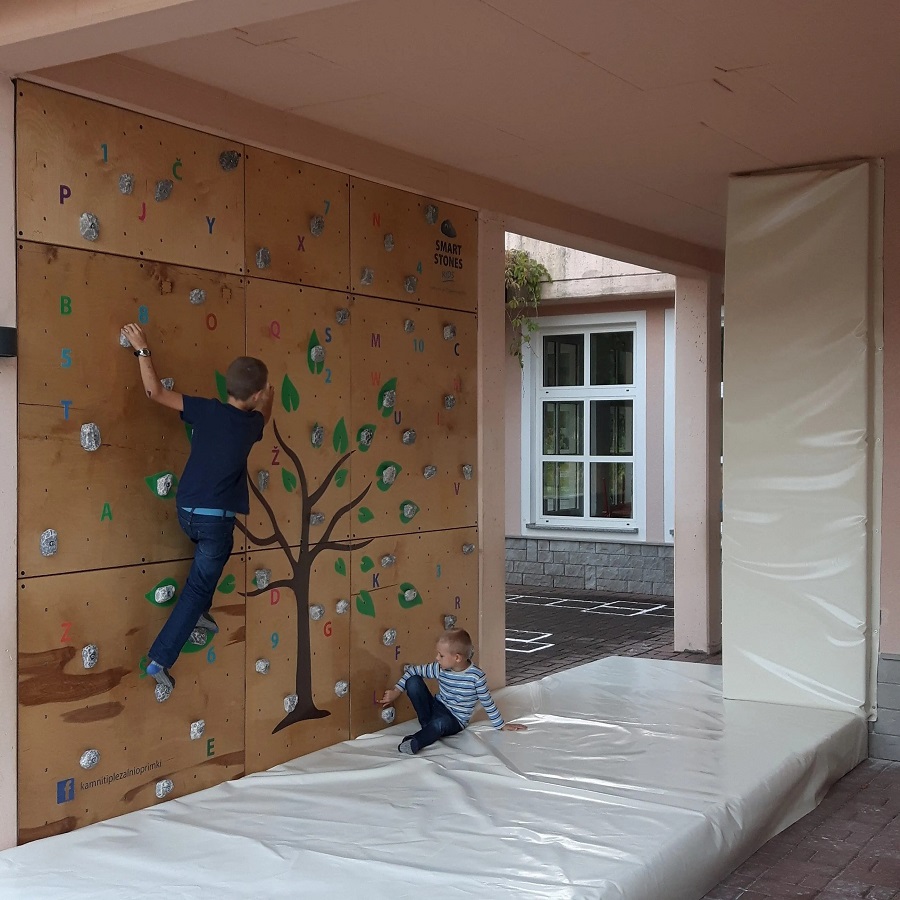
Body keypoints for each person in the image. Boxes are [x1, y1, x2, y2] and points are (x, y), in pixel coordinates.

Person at [121, 323, 273, 696]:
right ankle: (160, 658)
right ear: (256, 396)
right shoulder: (252, 425)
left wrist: (142, 348)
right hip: (214, 522)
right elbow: (265, 413)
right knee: (198, 584)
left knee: (217, 558)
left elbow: (154, 392)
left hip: (186, 510)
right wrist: (270, 396)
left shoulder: (206, 410)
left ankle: (202, 612)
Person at [379, 628, 527, 755]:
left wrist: (500, 725)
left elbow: (487, 701)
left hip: (454, 719)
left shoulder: (475, 677)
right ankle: (427, 727)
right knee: (413, 681)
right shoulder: (439, 668)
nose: (437, 658)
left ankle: (416, 741)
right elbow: (413, 671)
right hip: (435, 707)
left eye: (441, 655)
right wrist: (396, 691)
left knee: (439, 724)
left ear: (457, 658)